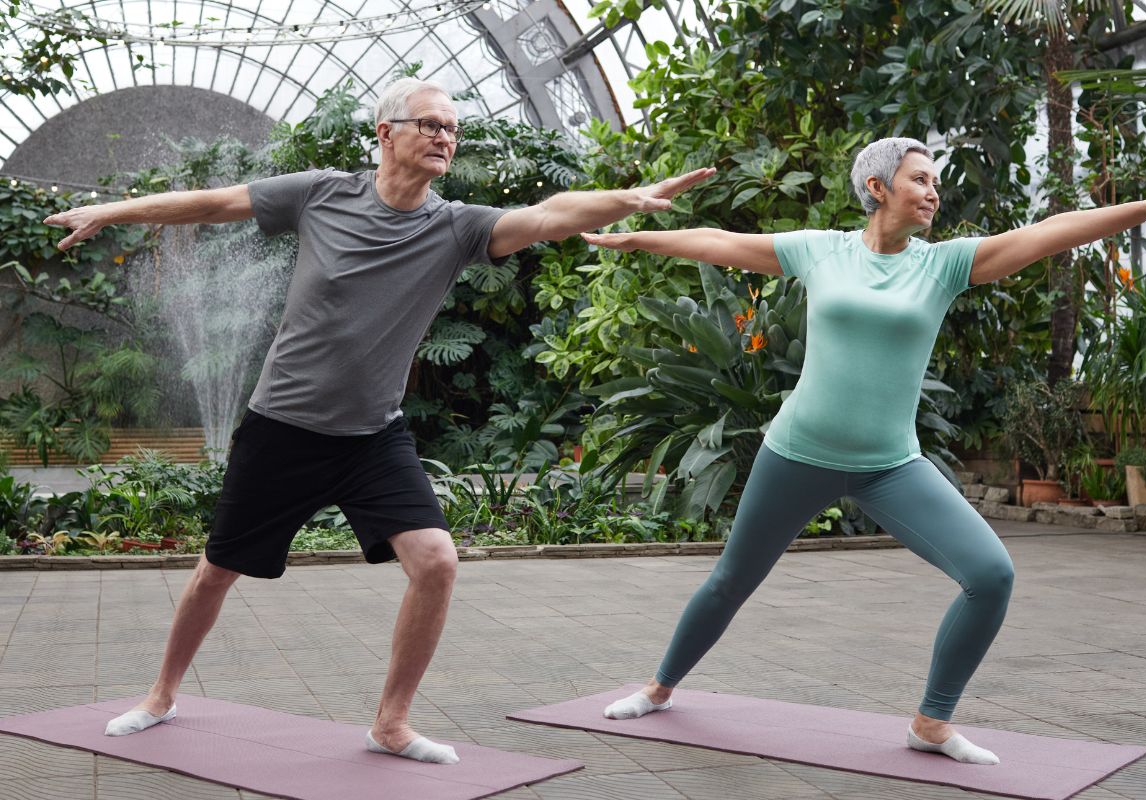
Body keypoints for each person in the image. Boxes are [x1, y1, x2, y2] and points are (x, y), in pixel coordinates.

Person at [44, 77, 714, 765]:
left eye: (452, 129)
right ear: (386, 132)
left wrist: (630, 199)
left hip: (373, 435)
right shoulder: (322, 193)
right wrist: (116, 212)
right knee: (217, 569)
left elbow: (546, 214)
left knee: (436, 562)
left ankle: (391, 723)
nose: (444, 137)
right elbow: (217, 204)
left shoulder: (457, 227)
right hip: (283, 426)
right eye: (429, 124)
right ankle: (160, 696)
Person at [584, 136, 1146, 765]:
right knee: (731, 581)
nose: (933, 192)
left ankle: (931, 722)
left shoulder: (944, 264)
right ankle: (659, 688)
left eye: (935, 182)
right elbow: (721, 243)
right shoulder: (822, 251)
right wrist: (638, 235)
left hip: (890, 466)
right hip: (796, 454)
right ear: (877, 187)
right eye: (920, 179)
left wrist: (1143, 208)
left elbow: (1050, 231)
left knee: (991, 575)